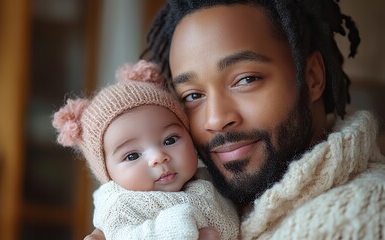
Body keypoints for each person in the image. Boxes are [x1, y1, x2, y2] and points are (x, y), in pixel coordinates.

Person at [85, 0, 385, 239]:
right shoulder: (210, 200)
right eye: (192, 96)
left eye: (245, 79)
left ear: (313, 77)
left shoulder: (361, 216)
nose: (215, 119)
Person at [52, 60, 240, 240]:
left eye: (170, 140)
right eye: (132, 155)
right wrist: (175, 228)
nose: (158, 157)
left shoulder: (210, 175)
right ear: (108, 174)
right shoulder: (120, 206)